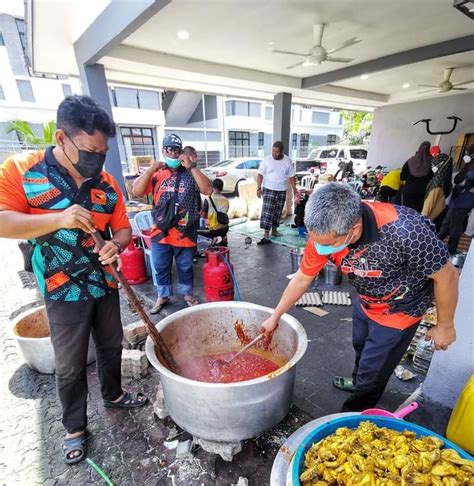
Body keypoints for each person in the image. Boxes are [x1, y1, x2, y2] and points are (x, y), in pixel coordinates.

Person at [0, 95, 148, 464]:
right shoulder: (24, 171)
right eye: (89, 151)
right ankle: (74, 427)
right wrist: (59, 218)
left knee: (111, 346)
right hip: (61, 287)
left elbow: (124, 230)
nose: (96, 160)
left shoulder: (107, 182)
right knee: (69, 364)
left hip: (105, 283)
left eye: (102, 152)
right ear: (63, 139)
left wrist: (114, 246)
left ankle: (114, 394)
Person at [261, 183, 458, 412]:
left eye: (327, 245)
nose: (319, 248)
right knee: (361, 348)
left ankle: (352, 416)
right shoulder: (324, 233)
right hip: (365, 301)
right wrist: (275, 316)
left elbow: (447, 276)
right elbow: (303, 278)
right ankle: (358, 382)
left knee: (373, 373)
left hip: (399, 311)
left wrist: (445, 326)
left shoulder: (406, 232)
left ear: (353, 230)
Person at [132, 135, 212, 313]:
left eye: (177, 150)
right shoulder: (156, 173)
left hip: (185, 232)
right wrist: (150, 169)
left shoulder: (190, 173)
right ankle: (163, 295)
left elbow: (208, 189)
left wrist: (191, 167)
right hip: (160, 233)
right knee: (160, 266)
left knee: (185, 267)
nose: (173, 153)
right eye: (170, 149)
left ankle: (187, 295)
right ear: (163, 150)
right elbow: (136, 190)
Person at [256, 141, 300, 245]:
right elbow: (260, 175)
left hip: (281, 189)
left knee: (277, 211)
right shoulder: (266, 160)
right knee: (267, 212)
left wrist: (294, 189)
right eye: (273, 151)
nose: (274, 153)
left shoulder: (287, 161)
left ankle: (274, 231)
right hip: (269, 188)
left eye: (277, 152)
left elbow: (292, 176)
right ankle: (266, 235)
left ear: (281, 151)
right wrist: (258, 188)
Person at [438, 171, 474, 255]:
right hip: (460, 201)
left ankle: (450, 248)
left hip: (462, 201)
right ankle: (440, 244)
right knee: (448, 224)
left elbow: (461, 180)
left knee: (454, 226)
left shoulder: (470, 172)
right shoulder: (469, 171)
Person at [422, 146, 453, 227]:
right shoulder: (446, 181)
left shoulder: (436, 182)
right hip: (434, 221)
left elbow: (428, 206)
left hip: (427, 222)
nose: (432, 165)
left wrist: (422, 221)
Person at [400, 141, 434, 212]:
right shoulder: (432, 162)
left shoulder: (410, 161)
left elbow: (402, 176)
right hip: (422, 193)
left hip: (408, 191)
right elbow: (433, 177)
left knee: (406, 213)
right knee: (417, 214)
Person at [198, 178, 230, 246]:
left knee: (200, 228)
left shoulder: (208, 199)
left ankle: (214, 239)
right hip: (225, 228)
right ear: (222, 188)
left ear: (212, 187)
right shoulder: (226, 200)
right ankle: (223, 238)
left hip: (213, 229)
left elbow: (203, 216)